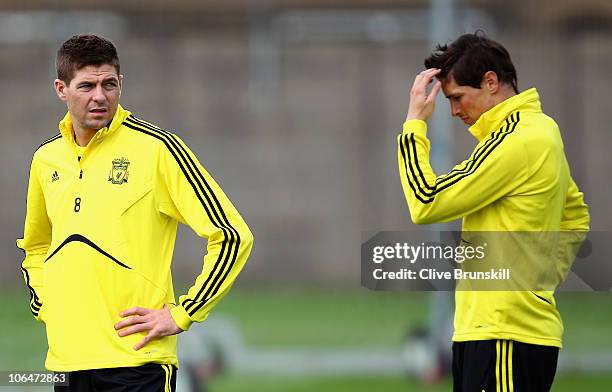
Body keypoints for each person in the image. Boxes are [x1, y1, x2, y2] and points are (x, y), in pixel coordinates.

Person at [17, 34, 254, 391]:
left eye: (109, 84)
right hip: (67, 363)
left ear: (121, 84)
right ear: (61, 89)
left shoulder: (158, 149)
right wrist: (45, 303)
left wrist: (182, 314)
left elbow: (232, 236)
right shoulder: (45, 159)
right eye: (86, 86)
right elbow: (36, 246)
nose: (100, 96)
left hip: (138, 363)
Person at [397, 32, 589, 391]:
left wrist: (413, 126)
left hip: (504, 337)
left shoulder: (516, 140)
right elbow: (575, 216)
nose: (454, 111)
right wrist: (535, 280)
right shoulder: (540, 131)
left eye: (458, 98)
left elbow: (426, 201)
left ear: (490, 82)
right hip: (498, 333)